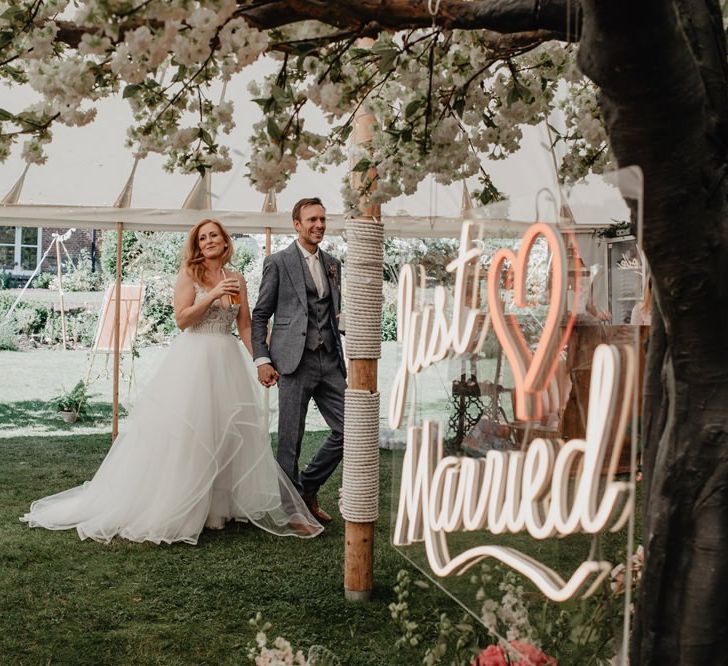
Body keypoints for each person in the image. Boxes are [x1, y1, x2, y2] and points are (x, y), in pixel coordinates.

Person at [21, 219, 322, 543]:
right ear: (197, 244)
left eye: (214, 236)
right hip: (194, 360)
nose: (208, 241)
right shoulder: (189, 275)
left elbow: (246, 325)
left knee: (224, 431)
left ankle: (216, 508)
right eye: (202, 237)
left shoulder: (236, 279)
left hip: (227, 359)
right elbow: (182, 319)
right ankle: (181, 503)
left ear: (224, 243)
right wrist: (212, 295)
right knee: (192, 433)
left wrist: (261, 361)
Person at [251, 197, 346, 526]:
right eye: (312, 220)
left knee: (351, 429)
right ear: (296, 224)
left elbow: (332, 313)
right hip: (292, 361)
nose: (319, 225)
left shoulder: (333, 263)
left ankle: (307, 487)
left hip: (331, 359)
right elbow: (261, 314)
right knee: (290, 438)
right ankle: (291, 512)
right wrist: (262, 359)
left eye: (322, 219)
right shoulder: (277, 262)